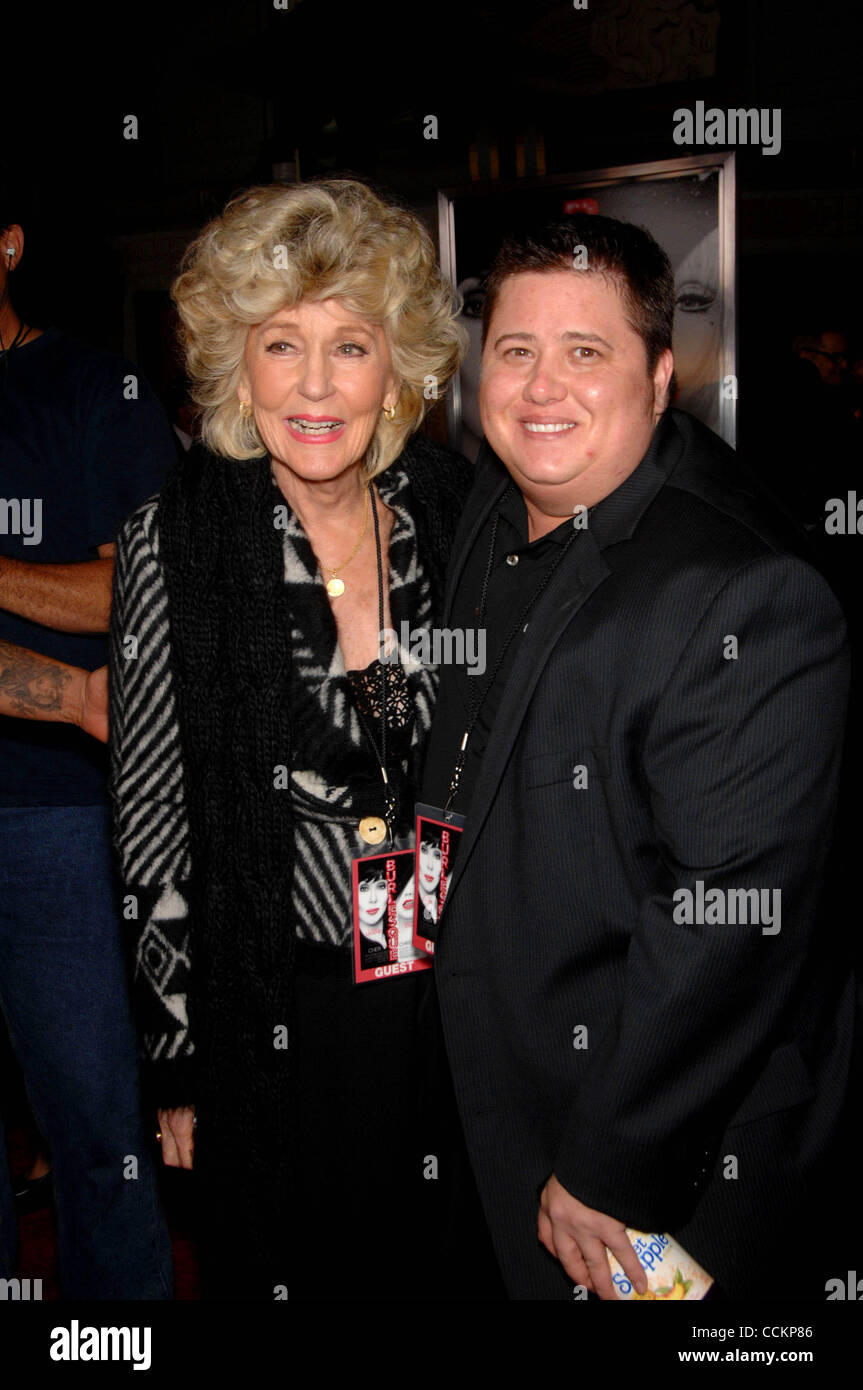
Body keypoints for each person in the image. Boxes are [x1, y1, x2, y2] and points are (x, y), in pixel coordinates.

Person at [421, 214, 855, 1301]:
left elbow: (727, 922)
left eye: (585, 351)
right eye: (514, 350)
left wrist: (609, 1164)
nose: (538, 386)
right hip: (498, 1103)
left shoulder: (744, 593)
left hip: (650, 1153)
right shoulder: (490, 504)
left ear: (659, 377)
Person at [109, 178, 475, 1299]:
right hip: (282, 1014)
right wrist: (178, 1068)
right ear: (236, 365)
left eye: (349, 346)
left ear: (398, 364)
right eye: (281, 344)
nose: (316, 387)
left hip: (453, 1007)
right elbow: (156, 818)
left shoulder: (461, 517)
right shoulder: (174, 545)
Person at [0, 187, 175, 1297]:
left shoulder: (89, 390)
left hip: (55, 823)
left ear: (8, 244)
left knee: (98, 1131)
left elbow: (139, 588)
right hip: (59, 742)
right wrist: (61, 689)